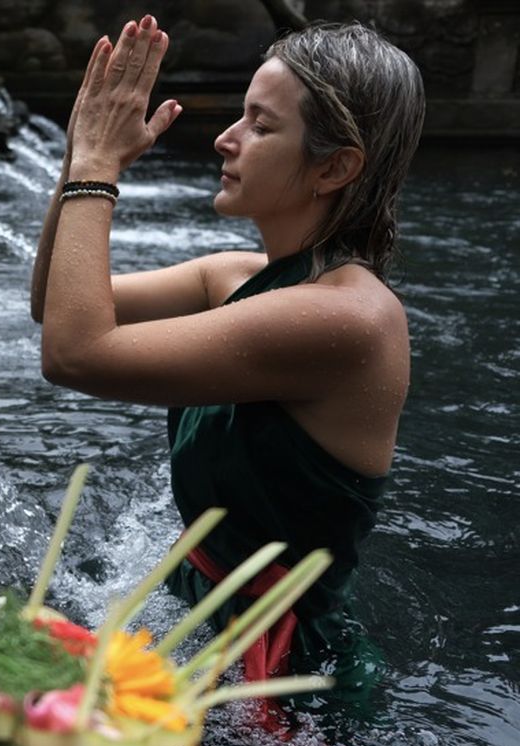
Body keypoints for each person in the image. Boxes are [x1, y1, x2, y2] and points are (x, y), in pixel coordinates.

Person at [29, 16, 426, 703]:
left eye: (260, 125)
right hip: (193, 613)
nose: (225, 138)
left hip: (271, 682)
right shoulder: (234, 275)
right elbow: (54, 304)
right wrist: (81, 156)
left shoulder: (351, 319)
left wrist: (98, 170)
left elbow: (75, 353)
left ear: (334, 166)